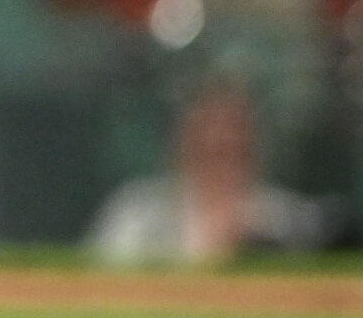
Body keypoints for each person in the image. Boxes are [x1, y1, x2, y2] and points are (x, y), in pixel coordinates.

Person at [86, 80, 324, 266]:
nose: (221, 144)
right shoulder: (135, 214)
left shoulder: (287, 224)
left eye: (233, 143)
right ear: (183, 143)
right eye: (209, 142)